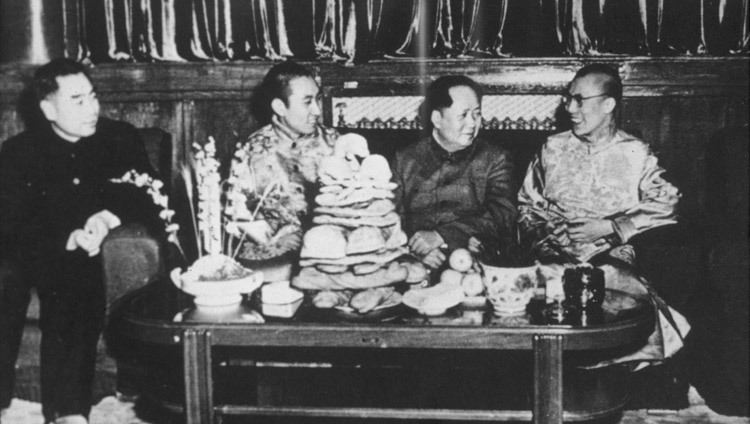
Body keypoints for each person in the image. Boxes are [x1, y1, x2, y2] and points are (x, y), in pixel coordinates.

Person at [0, 59, 159, 424]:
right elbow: (10, 222)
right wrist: (62, 237)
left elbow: (151, 191)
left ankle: (69, 410)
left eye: (93, 96)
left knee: (76, 277)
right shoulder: (19, 151)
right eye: (77, 100)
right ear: (48, 109)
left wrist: (106, 218)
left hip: (85, 249)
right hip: (30, 248)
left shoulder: (118, 138)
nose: (93, 108)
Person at [517, 64, 690, 366]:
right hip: (553, 253)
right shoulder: (551, 148)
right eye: (568, 98)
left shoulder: (635, 152)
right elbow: (527, 205)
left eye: (579, 100)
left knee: (610, 280)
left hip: (608, 253)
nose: (570, 107)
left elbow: (668, 202)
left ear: (608, 104)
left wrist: (612, 226)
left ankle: (617, 358)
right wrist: (547, 229)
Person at [391, 75, 517, 269]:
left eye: (477, 114)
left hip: (475, 265)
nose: (473, 123)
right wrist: (411, 252)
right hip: (415, 265)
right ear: (437, 119)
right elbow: (390, 218)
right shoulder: (405, 159)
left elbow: (503, 215)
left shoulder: (495, 158)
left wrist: (442, 235)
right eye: (463, 115)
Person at [226, 61, 342, 257]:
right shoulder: (250, 152)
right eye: (307, 102)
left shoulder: (335, 143)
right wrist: (273, 240)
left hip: (332, 249)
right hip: (277, 255)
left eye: (318, 99)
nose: (317, 110)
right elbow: (234, 214)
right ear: (280, 107)